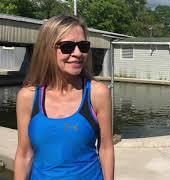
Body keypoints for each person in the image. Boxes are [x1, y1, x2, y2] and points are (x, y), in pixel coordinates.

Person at [14, 15, 114, 180]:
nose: (78, 53)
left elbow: (106, 148)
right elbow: (24, 154)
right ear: (47, 49)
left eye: (83, 46)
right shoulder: (27, 97)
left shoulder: (98, 93)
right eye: (67, 46)